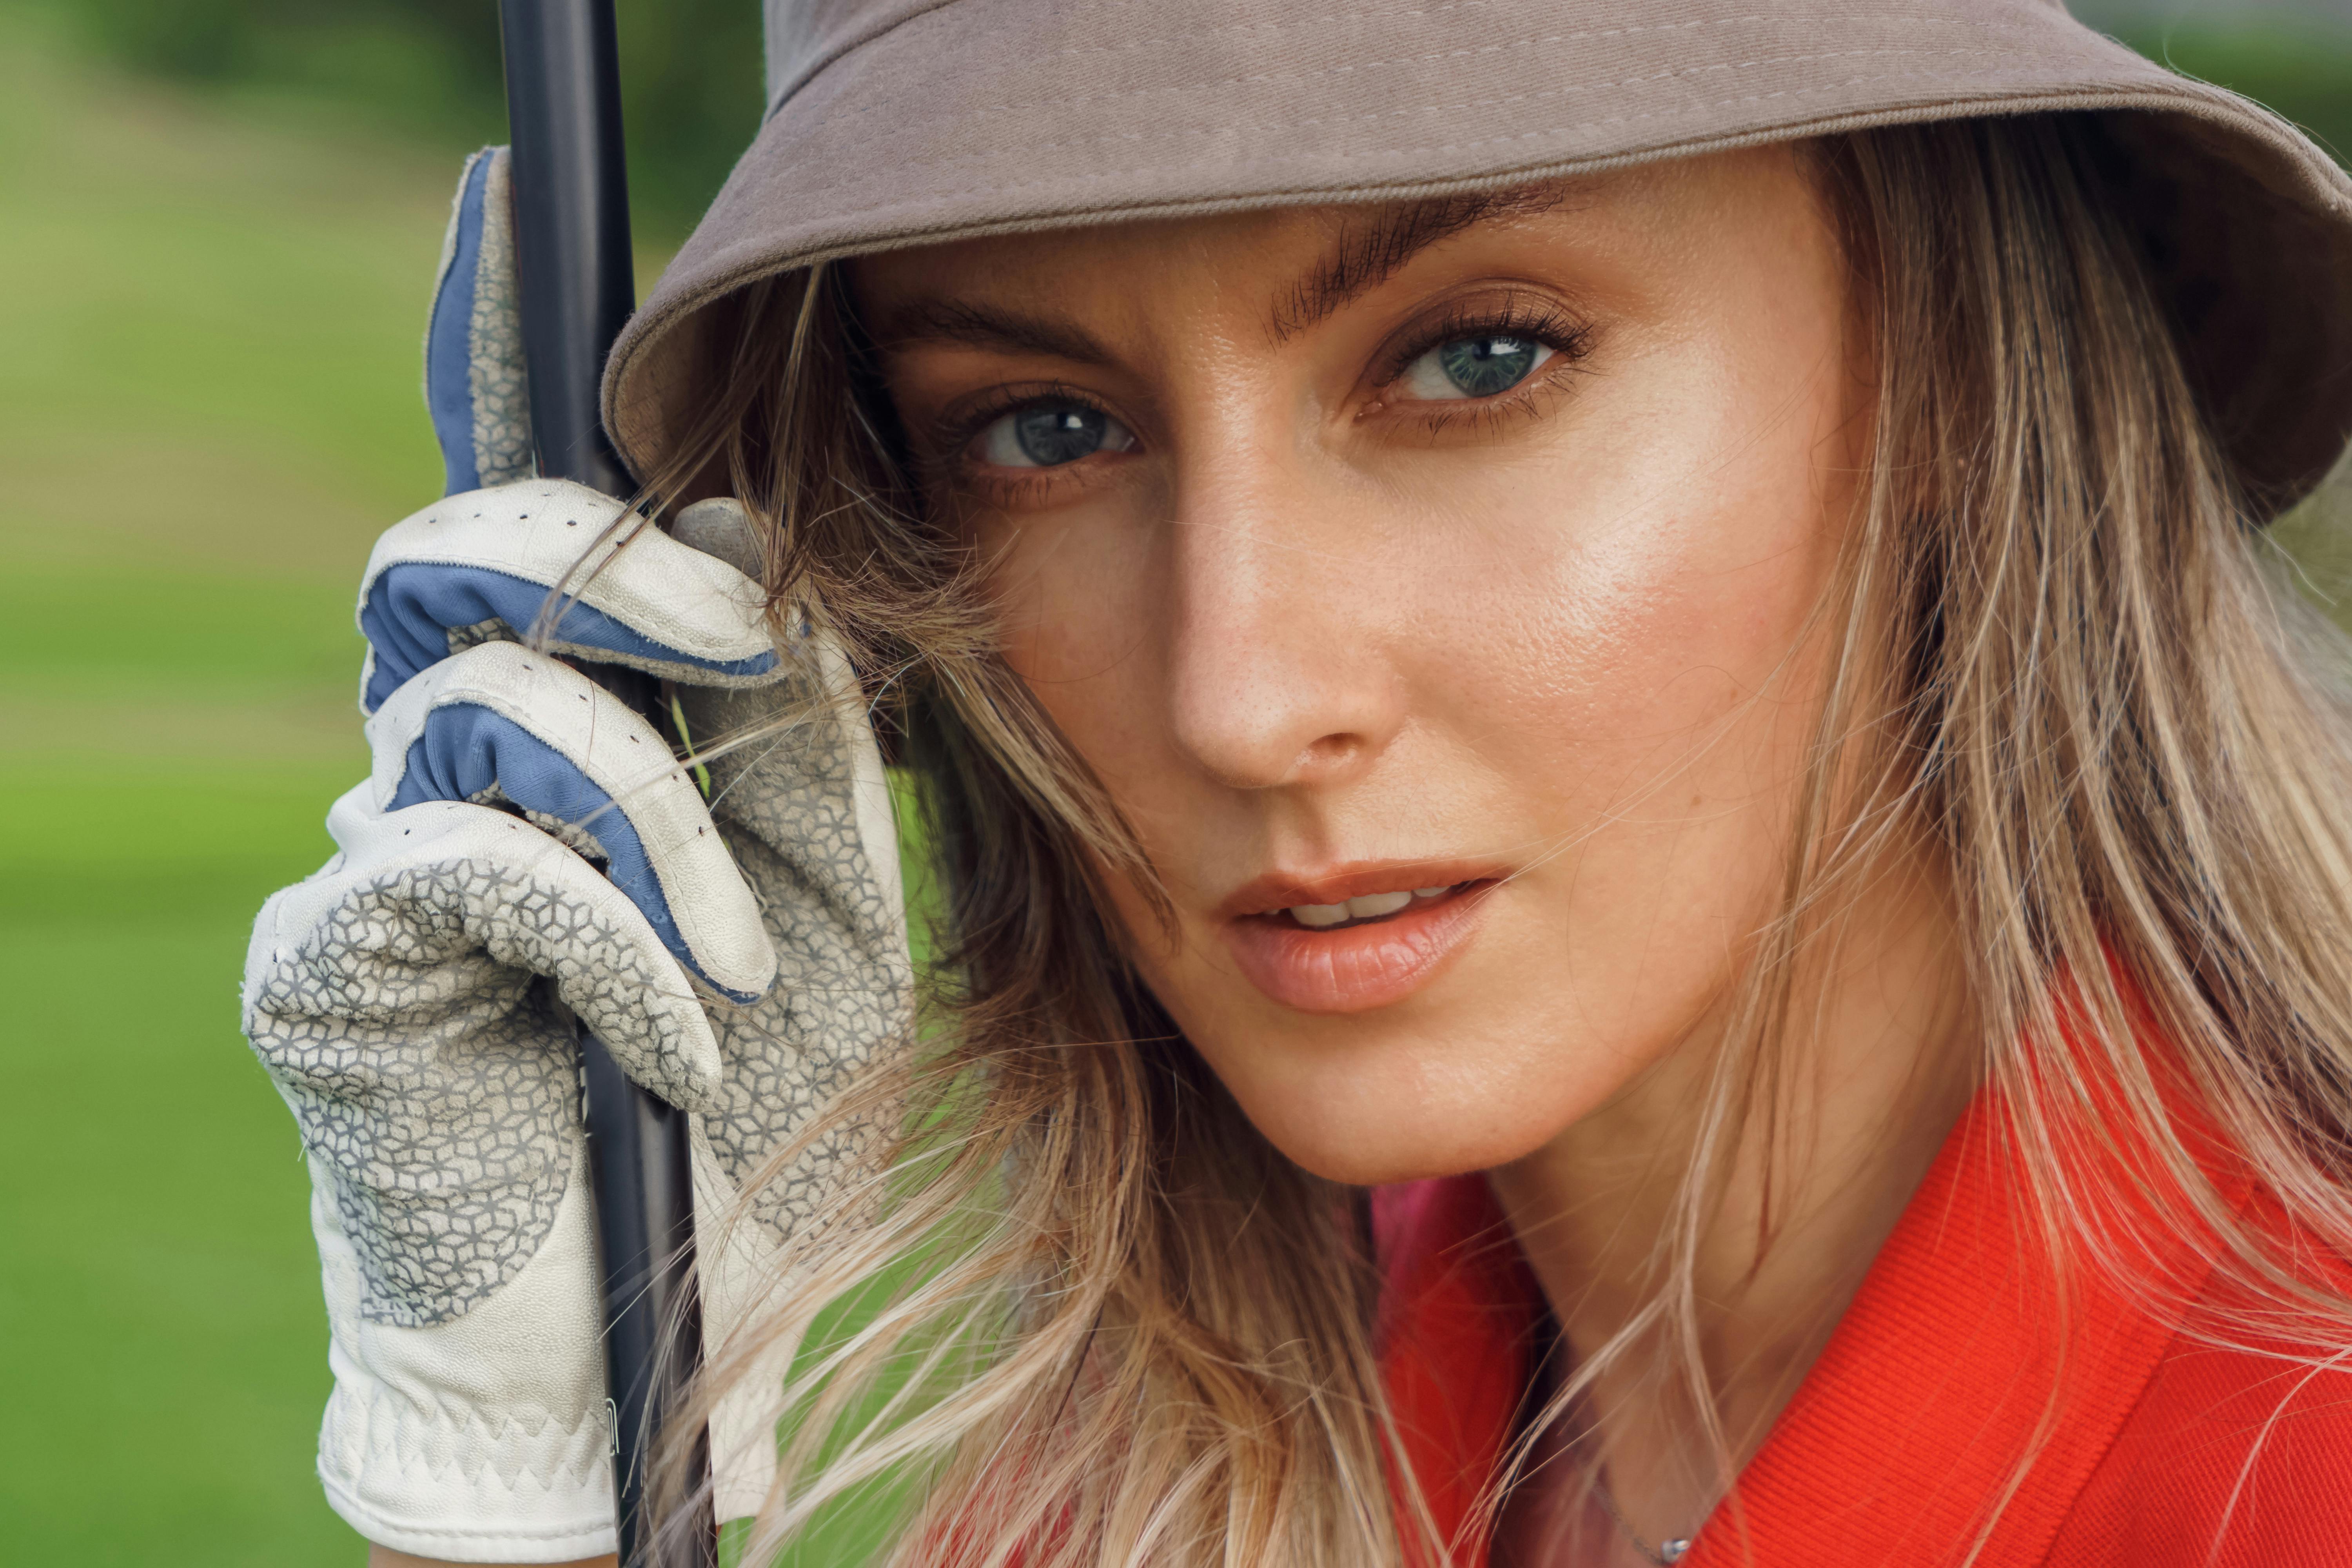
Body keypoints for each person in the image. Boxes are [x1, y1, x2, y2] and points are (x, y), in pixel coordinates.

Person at [241, 0, 2352, 1563]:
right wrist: (547, 1502)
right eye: (1046, 430)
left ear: (1963, 382)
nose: (1240, 697)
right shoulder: (1157, 1481)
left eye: (1478, 358)